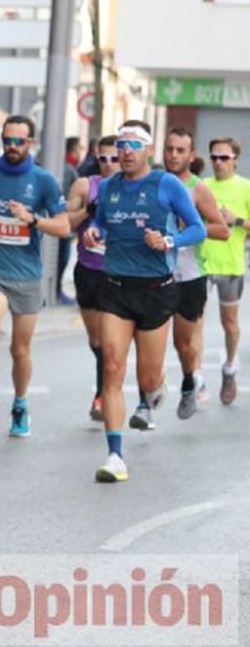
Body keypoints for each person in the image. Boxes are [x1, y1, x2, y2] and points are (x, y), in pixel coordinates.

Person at [83, 121, 206, 482]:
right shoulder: (108, 188)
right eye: (121, 144)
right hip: (116, 286)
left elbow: (196, 228)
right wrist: (95, 231)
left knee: (147, 378)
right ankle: (115, 457)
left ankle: (157, 385)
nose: (125, 150)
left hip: (156, 289)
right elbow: (103, 224)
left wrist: (168, 242)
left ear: (148, 149)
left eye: (133, 144)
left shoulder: (167, 184)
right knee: (112, 366)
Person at [0, 115, 69, 437]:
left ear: (31, 144)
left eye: (19, 141)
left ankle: (21, 403)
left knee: (20, 350)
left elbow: (64, 226)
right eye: (7, 140)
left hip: (27, 275)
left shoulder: (43, 180)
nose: (12, 147)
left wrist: (32, 219)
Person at [162, 127, 228, 421]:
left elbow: (221, 229)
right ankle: (146, 395)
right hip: (154, 275)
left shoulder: (198, 189)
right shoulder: (155, 183)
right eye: (169, 149)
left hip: (189, 276)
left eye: (180, 150)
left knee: (183, 344)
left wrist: (184, 231)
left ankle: (190, 382)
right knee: (143, 337)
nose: (173, 155)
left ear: (191, 155)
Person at [65, 135, 120, 422]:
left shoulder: (135, 188)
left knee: (111, 342)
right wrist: (88, 210)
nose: (109, 164)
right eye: (104, 158)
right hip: (88, 271)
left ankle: (104, 394)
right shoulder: (85, 185)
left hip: (120, 274)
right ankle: (106, 383)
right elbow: (65, 223)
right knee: (97, 339)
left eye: (115, 158)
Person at [202, 136, 250, 405]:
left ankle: (230, 367)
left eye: (224, 157)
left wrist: (238, 220)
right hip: (202, 264)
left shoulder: (246, 187)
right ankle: (194, 379)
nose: (218, 162)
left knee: (229, 325)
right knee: (193, 323)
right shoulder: (202, 187)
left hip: (231, 266)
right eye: (214, 157)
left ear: (235, 160)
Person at [56, 137, 83, 305]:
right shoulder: (68, 170)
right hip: (63, 223)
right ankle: (56, 291)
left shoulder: (68, 168)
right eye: (79, 148)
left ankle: (56, 290)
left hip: (64, 222)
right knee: (61, 259)